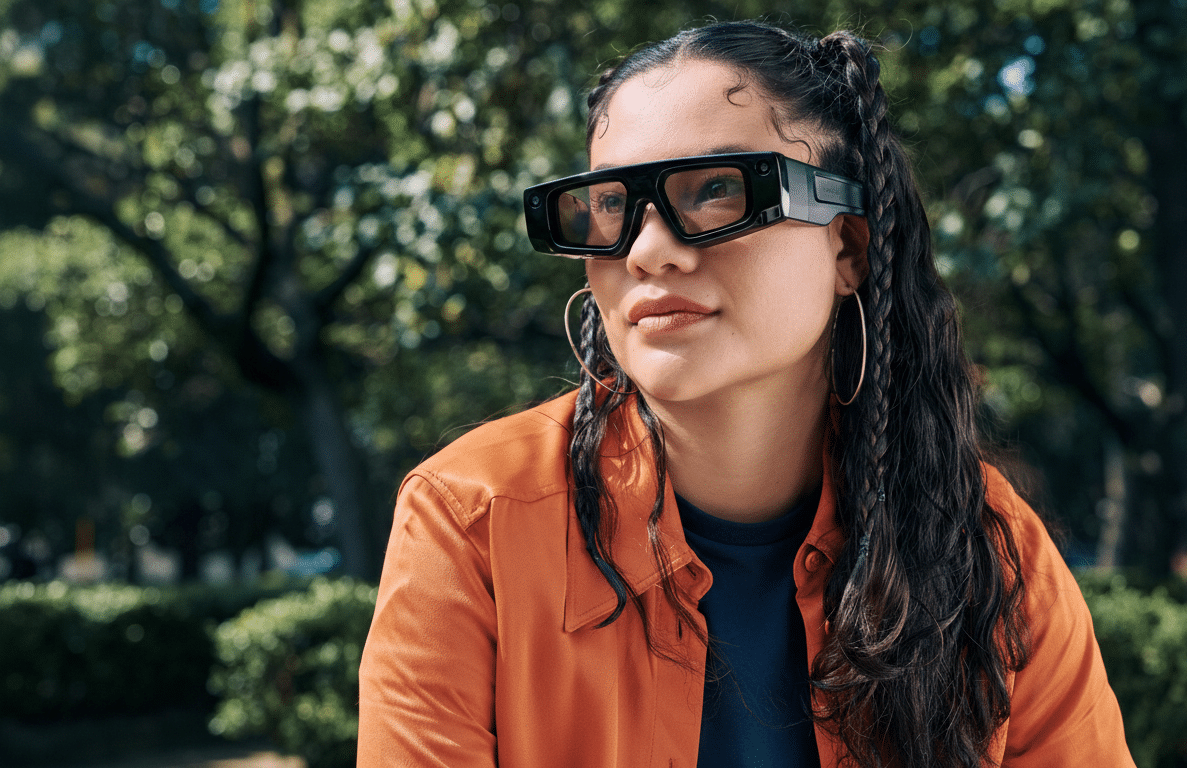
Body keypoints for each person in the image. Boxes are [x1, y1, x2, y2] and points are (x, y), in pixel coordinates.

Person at [357, 20, 1135, 768]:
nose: (649, 250)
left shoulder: (988, 548)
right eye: (610, 206)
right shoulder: (472, 519)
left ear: (849, 246)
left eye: (718, 191)